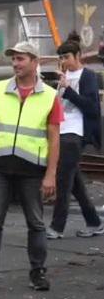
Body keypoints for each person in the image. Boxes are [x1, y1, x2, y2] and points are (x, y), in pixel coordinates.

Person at [0, 41, 63, 292]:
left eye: (21, 59)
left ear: (34, 62)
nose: (15, 64)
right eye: (14, 59)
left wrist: (51, 174)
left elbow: (54, 137)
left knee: (36, 223)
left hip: (32, 170)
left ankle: (38, 273)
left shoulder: (49, 96)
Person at [46, 32, 104, 239]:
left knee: (63, 180)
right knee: (75, 182)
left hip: (75, 132)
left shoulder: (87, 76)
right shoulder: (61, 77)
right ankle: (94, 222)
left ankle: (57, 227)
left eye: (67, 57)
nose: (64, 61)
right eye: (61, 58)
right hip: (59, 131)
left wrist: (69, 90)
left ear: (77, 55)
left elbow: (91, 108)